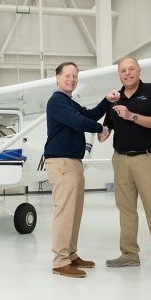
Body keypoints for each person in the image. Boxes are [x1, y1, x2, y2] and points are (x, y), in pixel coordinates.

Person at [98, 56, 151, 275]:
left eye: (131, 69)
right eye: (123, 71)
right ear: (119, 75)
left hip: (147, 158)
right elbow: (106, 130)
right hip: (120, 159)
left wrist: (132, 116)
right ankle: (129, 255)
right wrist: (96, 131)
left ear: (139, 71)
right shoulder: (115, 98)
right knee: (126, 209)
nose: (127, 73)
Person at [44, 61, 111, 278]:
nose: (72, 79)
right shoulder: (57, 101)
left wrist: (107, 102)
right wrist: (102, 128)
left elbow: (89, 115)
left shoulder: (69, 101)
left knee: (74, 213)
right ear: (57, 78)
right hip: (61, 163)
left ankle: (71, 255)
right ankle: (60, 261)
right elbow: (79, 122)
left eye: (75, 76)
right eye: (68, 76)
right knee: (64, 213)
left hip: (73, 163)